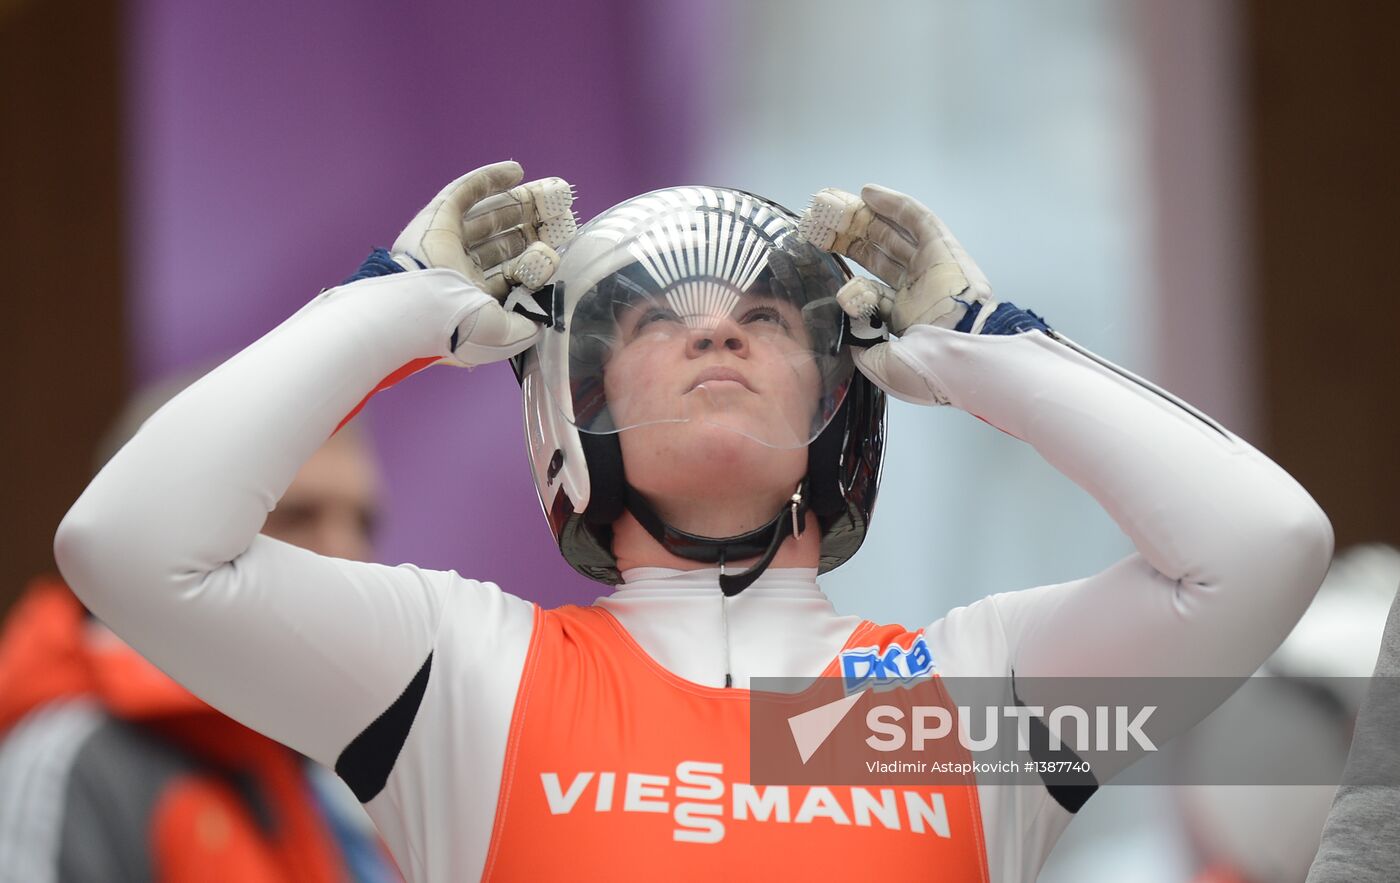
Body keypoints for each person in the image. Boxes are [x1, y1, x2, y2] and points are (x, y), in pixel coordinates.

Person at [52, 161, 1333, 882]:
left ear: (842, 392)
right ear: (575, 405)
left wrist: (984, 350)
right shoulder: (463, 675)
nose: (714, 327)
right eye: (657, 322)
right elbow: (128, 544)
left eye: (767, 319)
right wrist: (396, 305)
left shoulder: (928, 713)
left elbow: (1260, 548)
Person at [0, 394, 397, 882]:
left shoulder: (339, 773)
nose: (348, 556)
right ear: (163, 534)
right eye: (298, 515)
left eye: (363, 523)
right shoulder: (75, 762)